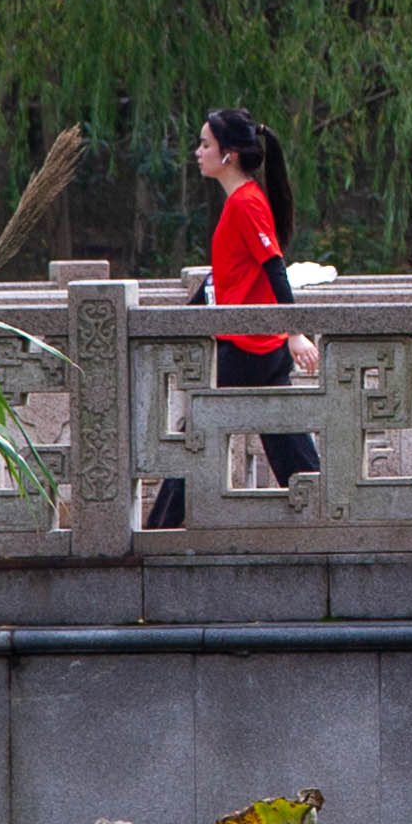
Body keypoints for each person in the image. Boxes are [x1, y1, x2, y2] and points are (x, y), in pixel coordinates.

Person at [147, 105, 319, 529]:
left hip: (249, 347)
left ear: (229, 155)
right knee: (283, 437)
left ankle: (162, 530)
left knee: (198, 433)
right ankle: (322, 506)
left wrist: (296, 332)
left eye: (205, 144)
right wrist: (183, 320)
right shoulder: (240, 202)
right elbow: (227, 275)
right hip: (253, 344)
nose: (197, 151)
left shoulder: (246, 203)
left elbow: (274, 266)